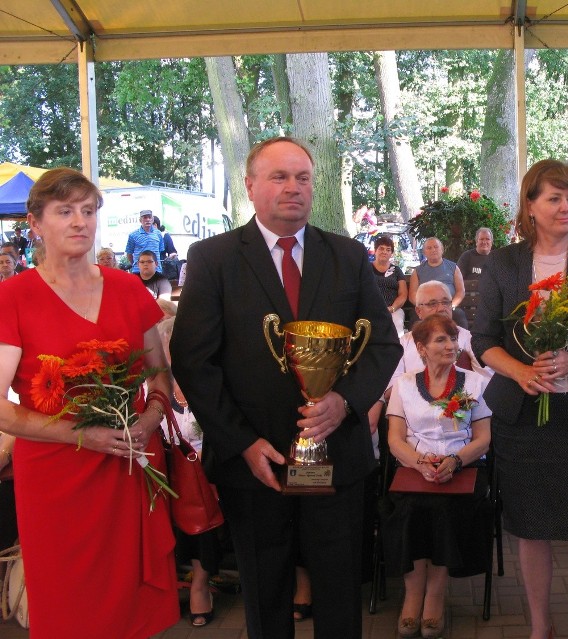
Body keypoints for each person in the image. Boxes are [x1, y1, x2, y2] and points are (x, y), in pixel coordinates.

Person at [170, 136, 402, 639]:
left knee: (340, 593)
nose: (293, 188)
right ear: (251, 186)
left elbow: (384, 346)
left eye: (303, 177)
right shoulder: (213, 259)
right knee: (265, 591)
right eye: (279, 177)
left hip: (335, 452)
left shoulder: (346, 255)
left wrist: (343, 401)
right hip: (255, 461)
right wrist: (241, 443)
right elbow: (193, 362)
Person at [0, 167, 179, 638]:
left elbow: (159, 369)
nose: (80, 221)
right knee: (68, 604)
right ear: (36, 224)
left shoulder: (125, 288)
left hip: (126, 465)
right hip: (57, 477)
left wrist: (152, 416)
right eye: (65, 212)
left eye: (88, 210)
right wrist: (82, 434)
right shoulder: (13, 296)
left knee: (129, 605)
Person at [471, 159, 568, 639]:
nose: (566, 207)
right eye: (555, 198)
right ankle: (540, 628)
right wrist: (521, 370)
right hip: (522, 418)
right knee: (530, 529)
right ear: (530, 205)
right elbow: (482, 340)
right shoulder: (504, 263)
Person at [382, 314, 492, 639]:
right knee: (407, 509)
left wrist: (455, 461)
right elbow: (394, 439)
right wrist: (419, 463)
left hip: (463, 467)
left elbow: (483, 439)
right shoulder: (403, 385)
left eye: (453, 339)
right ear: (421, 348)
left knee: (444, 510)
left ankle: (435, 595)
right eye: (441, 340)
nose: (451, 346)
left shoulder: (473, 383)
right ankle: (413, 594)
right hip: (415, 469)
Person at [157, 317, 221, 628]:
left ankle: (200, 582)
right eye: (170, 347)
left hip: (208, 471)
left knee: (201, 494)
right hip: (166, 473)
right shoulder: (153, 390)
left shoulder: (210, 385)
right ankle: (164, 585)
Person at [408, 237, 468, 329]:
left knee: (459, 315)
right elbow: (412, 294)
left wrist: (451, 306)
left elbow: (461, 291)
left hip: (448, 307)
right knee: (415, 319)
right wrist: (425, 307)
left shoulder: (454, 268)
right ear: (424, 252)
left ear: (442, 250)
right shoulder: (417, 271)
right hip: (427, 307)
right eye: (429, 248)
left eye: (436, 247)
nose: (433, 250)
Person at [372, 234, 408, 337]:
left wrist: (392, 308)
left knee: (397, 325)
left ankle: (398, 352)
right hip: (371, 308)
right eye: (381, 248)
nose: (384, 252)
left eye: (388, 250)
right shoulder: (366, 268)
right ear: (375, 250)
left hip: (393, 309)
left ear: (391, 253)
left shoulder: (397, 270)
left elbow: (403, 294)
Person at [125, 209, 164, 273]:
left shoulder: (158, 234)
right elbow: (129, 254)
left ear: (152, 219)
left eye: (149, 217)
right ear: (140, 220)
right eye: (145, 217)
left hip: (156, 270)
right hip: (139, 271)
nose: (148, 219)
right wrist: (136, 265)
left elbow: (159, 251)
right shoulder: (133, 235)